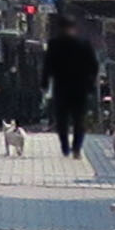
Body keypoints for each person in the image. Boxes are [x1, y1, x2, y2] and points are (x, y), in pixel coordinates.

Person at [43, 13, 100, 158]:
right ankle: (76, 149)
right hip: (80, 87)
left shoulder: (54, 44)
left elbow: (47, 65)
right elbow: (93, 65)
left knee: (62, 119)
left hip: (61, 87)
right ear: (74, 28)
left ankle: (65, 147)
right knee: (79, 119)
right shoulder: (83, 43)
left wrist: (44, 82)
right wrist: (90, 82)